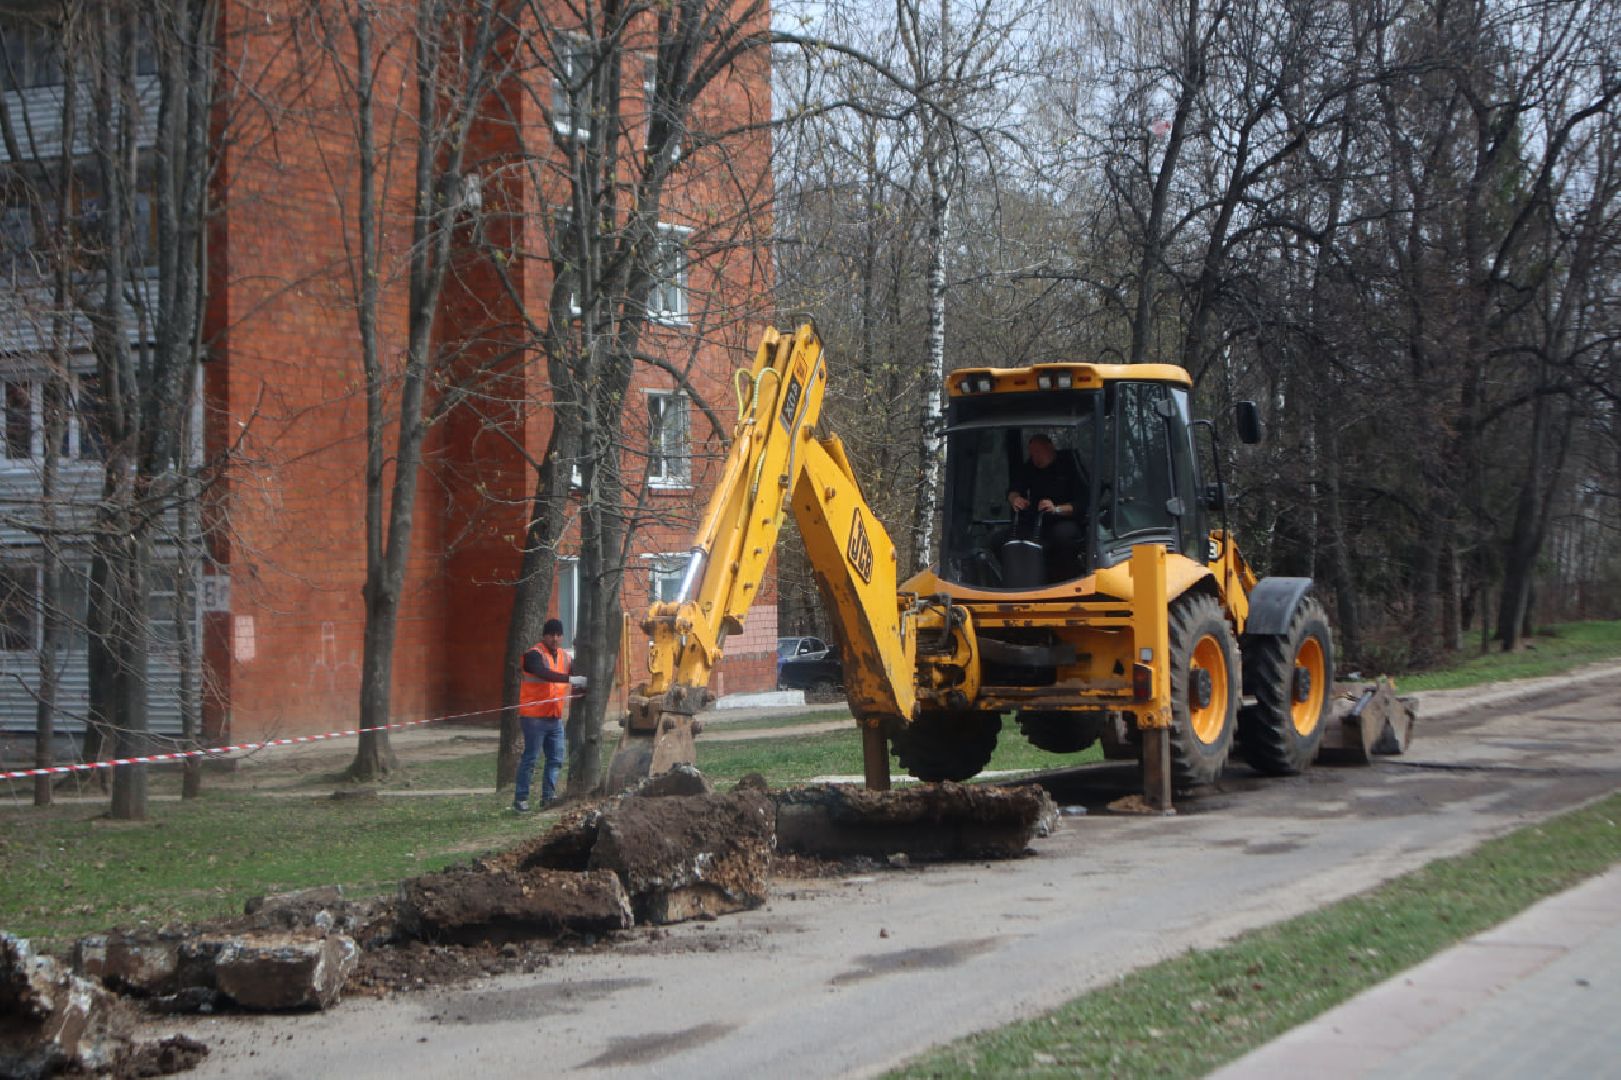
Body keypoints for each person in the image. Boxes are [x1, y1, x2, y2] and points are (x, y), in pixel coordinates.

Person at [514, 618, 587, 812]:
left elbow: (576, 671)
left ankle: (548, 797)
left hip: (554, 717)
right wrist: (571, 679)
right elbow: (543, 673)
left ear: (562, 637)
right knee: (531, 758)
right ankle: (521, 799)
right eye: (551, 634)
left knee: (556, 759)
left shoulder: (565, 657)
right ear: (544, 636)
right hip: (533, 717)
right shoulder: (533, 655)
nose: (555, 638)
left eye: (558, 635)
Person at [1005, 433, 1086, 580]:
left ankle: (1063, 580)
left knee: (1062, 535)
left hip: (1066, 520)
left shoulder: (1070, 464)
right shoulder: (1030, 467)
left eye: (1038, 452)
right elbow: (1013, 489)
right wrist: (1015, 499)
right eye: (1031, 453)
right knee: (1004, 539)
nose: (1035, 457)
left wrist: (1056, 509)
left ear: (1050, 448)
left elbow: (1083, 503)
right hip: (1037, 523)